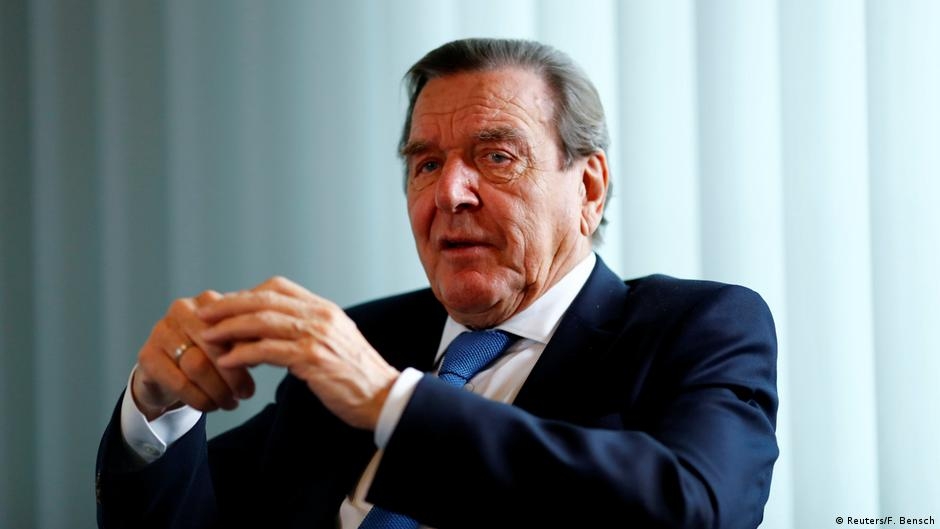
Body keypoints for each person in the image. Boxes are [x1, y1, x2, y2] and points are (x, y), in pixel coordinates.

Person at [95, 38, 779, 529]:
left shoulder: (696, 328)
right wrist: (158, 409)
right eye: (425, 164)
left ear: (589, 188)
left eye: (497, 156)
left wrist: (389, 401)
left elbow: (697, 506)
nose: (449, 193)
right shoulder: (363, 336)